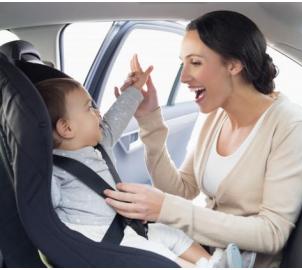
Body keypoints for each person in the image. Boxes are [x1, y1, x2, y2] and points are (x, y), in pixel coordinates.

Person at [104, 10, 302, 267]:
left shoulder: (290, 125)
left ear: (234, 65)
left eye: (195, 62)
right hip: (201, 250)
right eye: (183, 63)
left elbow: (272, 233)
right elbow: (182, 189)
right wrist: (149, 119)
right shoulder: (215, 116)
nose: (183, 77)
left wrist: (166, 209)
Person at [36, 55, 244, 268]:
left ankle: (215, 263)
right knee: (158, 253)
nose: (98, 112)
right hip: (103, 243)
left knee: (172, 234)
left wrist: (135, 90)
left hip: (127, 228)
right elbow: (42, 215)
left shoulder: (100, 143)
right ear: (67, 128)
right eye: (90, 107)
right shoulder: (53, 172)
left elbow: (118, 115)